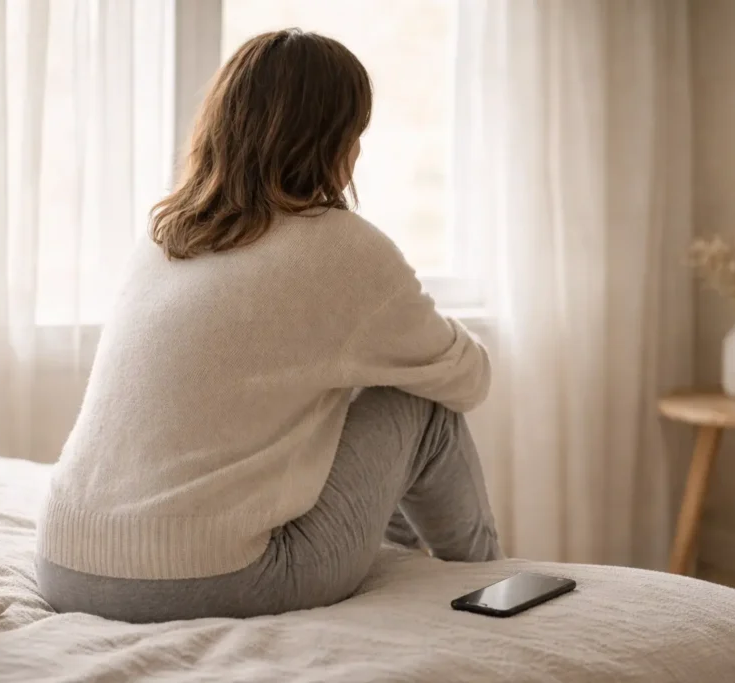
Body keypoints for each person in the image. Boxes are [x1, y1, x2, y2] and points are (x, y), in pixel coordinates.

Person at [35, 28, 500, 623]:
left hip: (64, 564)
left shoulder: (164, 237)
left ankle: (397, 565)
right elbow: (468, 382)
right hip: (206, 580)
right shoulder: (341, 250)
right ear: (336, 142)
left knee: (343, 390)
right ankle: (491, 583)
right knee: (421, 405)